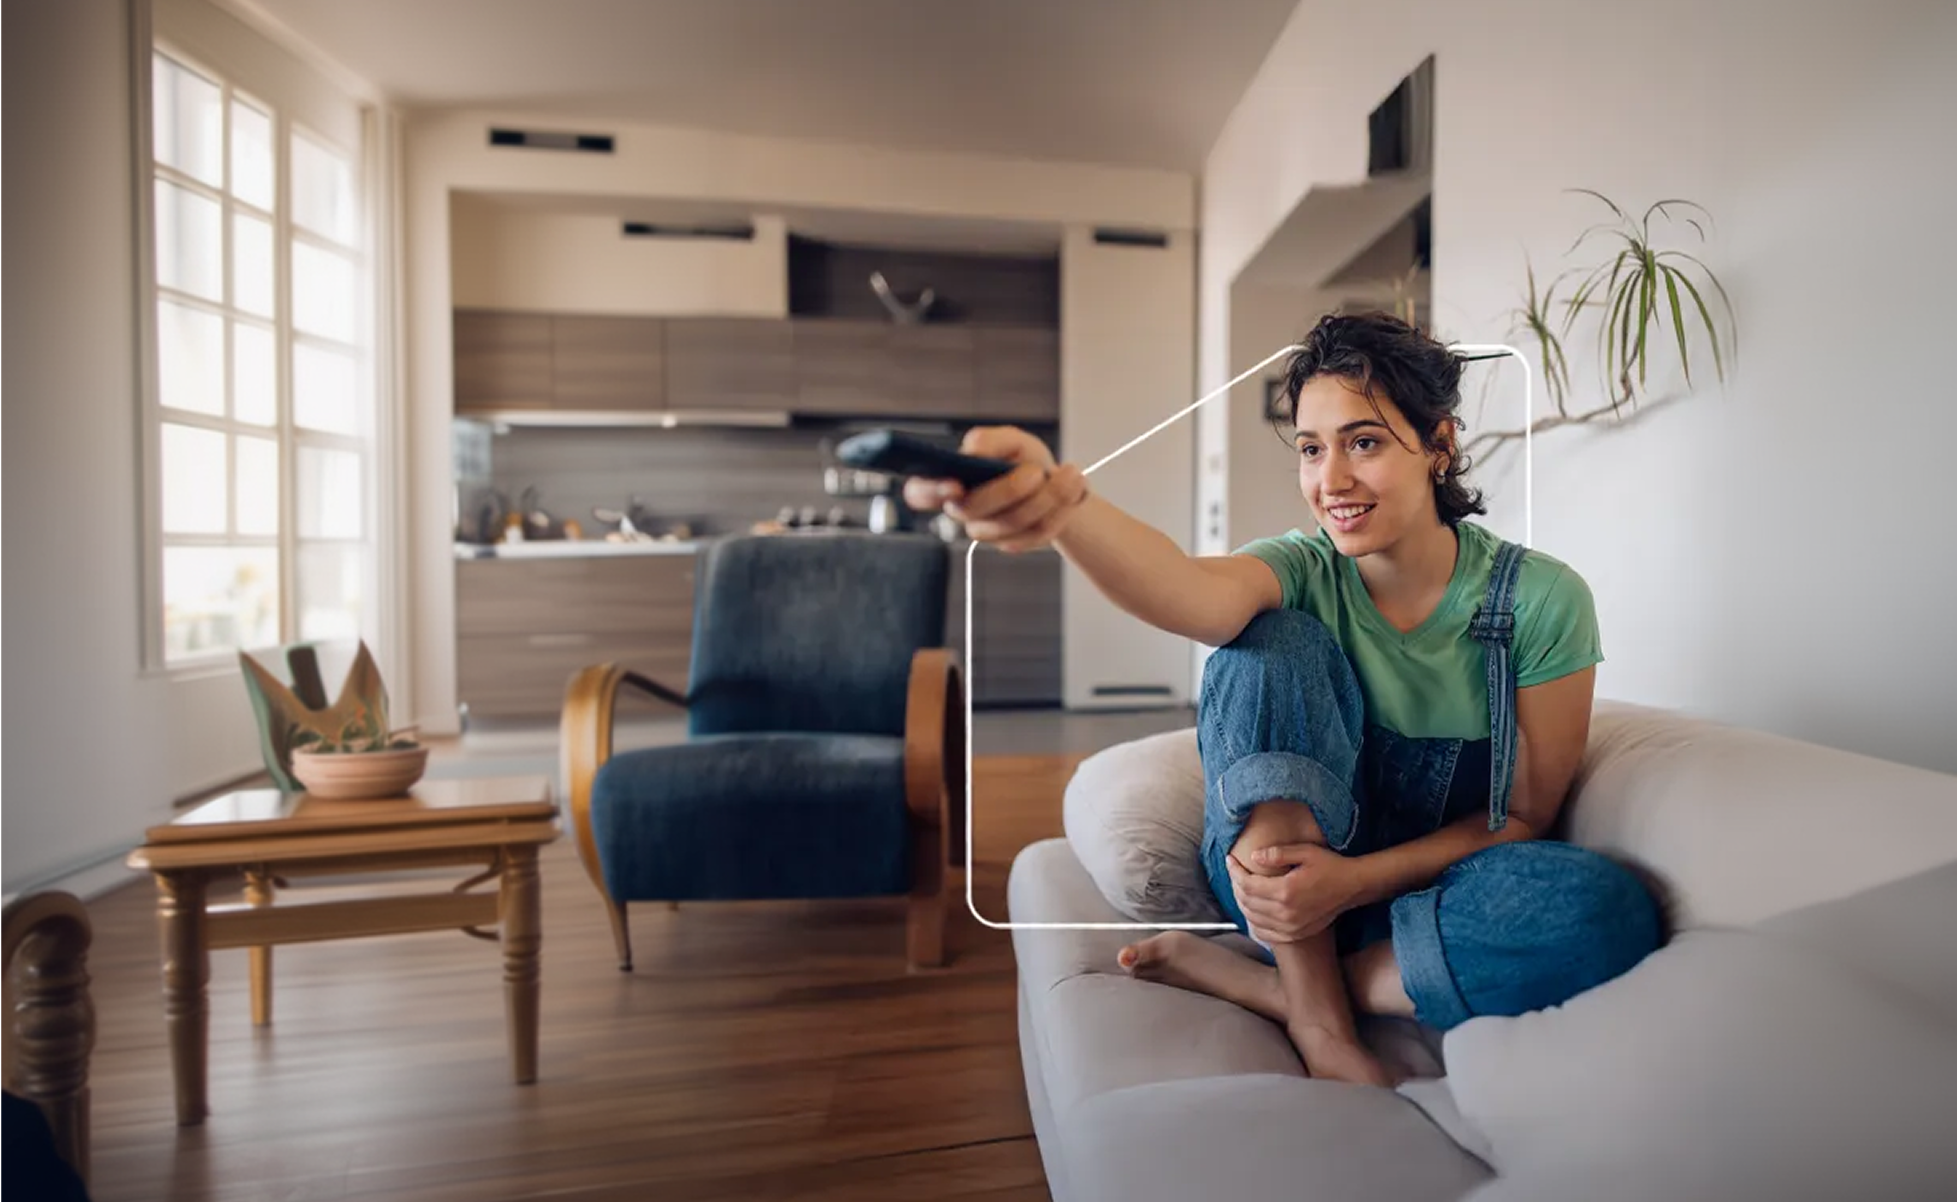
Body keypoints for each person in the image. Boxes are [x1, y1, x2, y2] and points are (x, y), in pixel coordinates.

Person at [905, 311, 1663, 1087]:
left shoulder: (1539, 599)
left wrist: (1353, 882)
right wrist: (1064, 509)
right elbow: (1186, 589)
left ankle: (1271, 986)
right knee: (1272, 642)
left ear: (1439, 445)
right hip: (1272, 890)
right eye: (1310, 449)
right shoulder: (1300, 569)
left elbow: (1525, 818)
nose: (1330, 481)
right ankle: (1320, 1020)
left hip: (1422, 896)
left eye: (1362, 442)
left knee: (1602, 913)